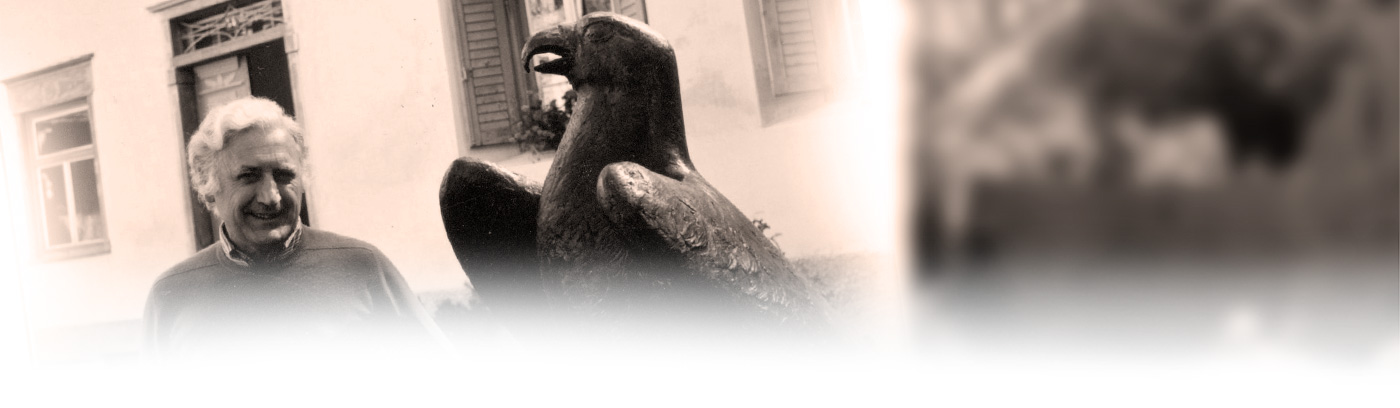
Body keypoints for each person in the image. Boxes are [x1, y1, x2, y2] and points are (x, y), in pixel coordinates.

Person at [144, 97, 447, 360]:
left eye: (284, 175)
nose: (271, 197)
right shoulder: (170, 296)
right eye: (249, 177)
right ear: (210, 189)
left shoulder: (363, 267)